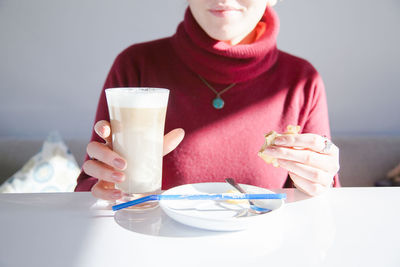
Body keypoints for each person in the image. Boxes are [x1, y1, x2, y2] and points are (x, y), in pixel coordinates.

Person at [75, 0, 340, 200]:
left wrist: (318, 181)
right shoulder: (135, 66)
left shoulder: (302, 82)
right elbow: (89, 189)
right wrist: (103, 188)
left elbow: (320, 208)